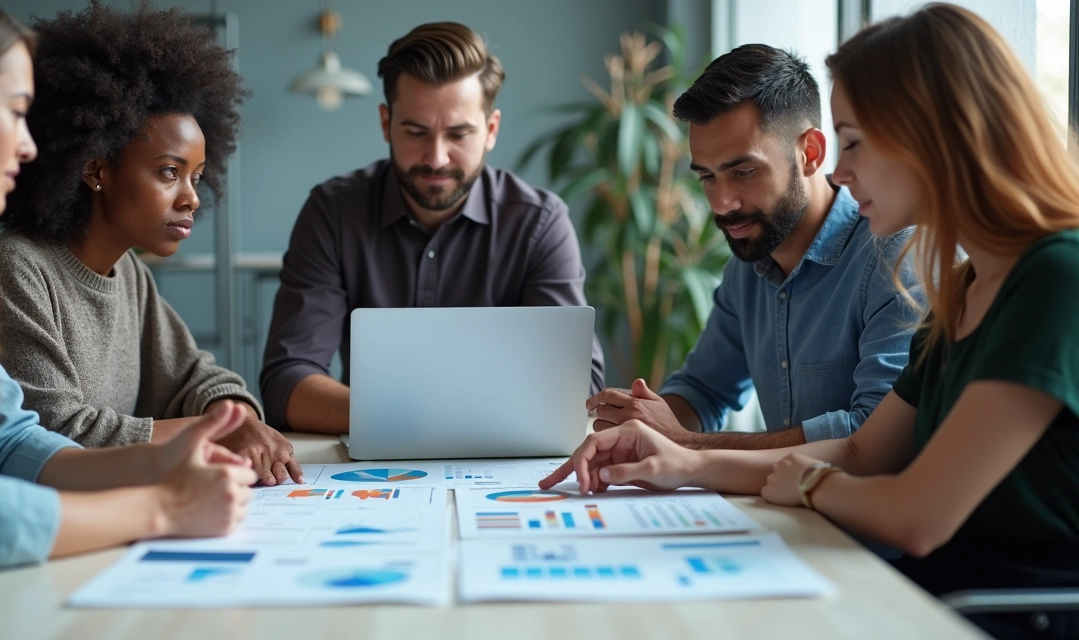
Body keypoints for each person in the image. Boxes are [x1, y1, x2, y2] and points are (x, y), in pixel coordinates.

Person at [544, 4, 1079, 637]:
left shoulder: (1049, 277)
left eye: (853, 142)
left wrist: (800, 480)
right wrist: (682, 461)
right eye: (707, 178)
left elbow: (912, 511)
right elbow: (860, 448)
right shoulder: (961, 286)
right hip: (913, 593)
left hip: (979, 614)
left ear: (934, 136)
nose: (842, 172)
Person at [0, 0, 256, 626]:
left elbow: (7, 441)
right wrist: (164, 508)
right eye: (16, 113)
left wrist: (167, 456)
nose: (27, 146)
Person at [0, 1, 302, 486]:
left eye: (196, 177)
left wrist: (235, 416)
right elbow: (51, 432)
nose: (192, 198)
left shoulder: (129, 273)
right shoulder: (18, 267)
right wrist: (213, 431)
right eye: (169, 172)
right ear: (95, 169)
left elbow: (197, 378)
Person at [259, 22, 606, 435]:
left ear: (491, 130)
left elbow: (576, 386)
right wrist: (435, 417)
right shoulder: (332, 213)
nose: (437, 158)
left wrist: (402, 415)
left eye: (458, 134)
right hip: (375, 461)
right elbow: (286, 382)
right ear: (386, 124)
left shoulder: (540, 222)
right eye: (416, 132)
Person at [586, 44, 920, 451]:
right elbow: (704, 389)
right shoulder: (749, 264)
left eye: (743, 172)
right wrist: (641, 426)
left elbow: (874, 433)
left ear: (810, 153)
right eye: (707, 177)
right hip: (795, 507)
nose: (721, 203)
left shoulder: (896, 256)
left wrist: (688, 445)